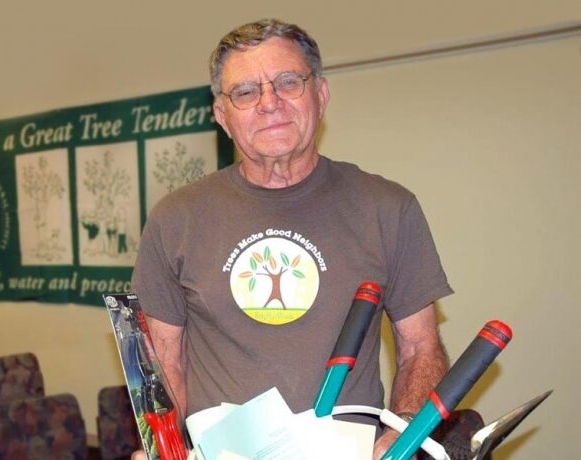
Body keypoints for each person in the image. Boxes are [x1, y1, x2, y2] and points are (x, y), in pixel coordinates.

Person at [131, 18, 452, 459]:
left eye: (287, 82)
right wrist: (160, 450)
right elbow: (164, 363)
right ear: (222, 117)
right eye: (245, 92)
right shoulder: (176, 218)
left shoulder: (387, 208)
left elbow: (421, 348)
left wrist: (401, 437)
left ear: (320, 96)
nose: (269, 103)